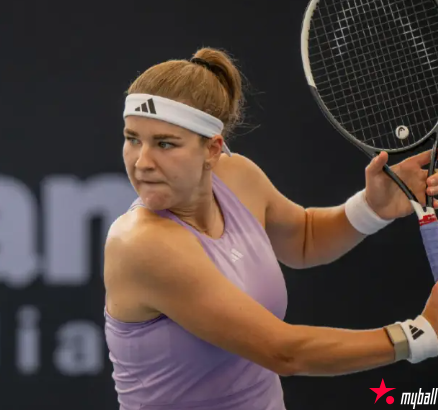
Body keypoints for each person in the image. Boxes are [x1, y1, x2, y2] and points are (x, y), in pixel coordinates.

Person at [103, 47, 438, 410]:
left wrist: (373, 207)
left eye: (165, 143)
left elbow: (305, 239)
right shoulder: (141, 244)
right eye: (132, 139)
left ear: (212, 150)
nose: (142, 162)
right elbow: (284, 352)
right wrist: (419, 334)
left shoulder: (237, 177)